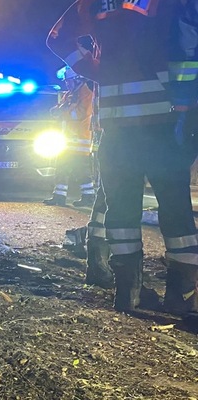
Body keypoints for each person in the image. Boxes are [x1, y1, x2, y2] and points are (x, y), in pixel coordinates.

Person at [48, 0, 198, 325]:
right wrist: (186, 107)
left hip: (115, 125)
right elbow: (188, 46)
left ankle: (127, 292)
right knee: (176, 209)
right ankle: (181, 296)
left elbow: (57, 39)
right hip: (164, 120)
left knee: (121, 211)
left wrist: (97, 71)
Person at [42, 66, 96, 208]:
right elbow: (58, 109)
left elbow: (80, 114)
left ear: (77, 80)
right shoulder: (69, 95)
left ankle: (88, 196)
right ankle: (59, 196)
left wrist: (63, 112)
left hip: (80, 140)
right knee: (61, 167)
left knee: (81, 169)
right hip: (67, 140)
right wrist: (58, 111)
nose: (67, 84)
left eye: (69, 81)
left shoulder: (87, 94)